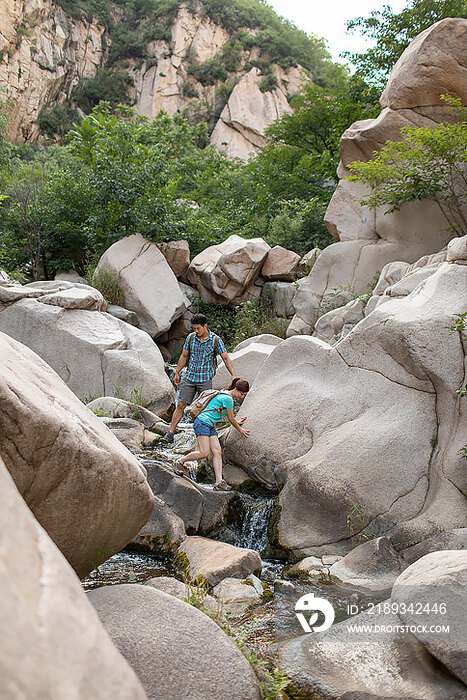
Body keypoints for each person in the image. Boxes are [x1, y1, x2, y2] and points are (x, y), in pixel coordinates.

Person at [161, 313, 236, 444]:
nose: (196, 331)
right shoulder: (191, 338)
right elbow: (184, 356)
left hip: (205, 380)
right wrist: (177, 372)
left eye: (198, 328)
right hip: (189, 377)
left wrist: (233, 375)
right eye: (194, 328)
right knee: (181, 405)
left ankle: (207, 437)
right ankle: (170, 433)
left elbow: (225, 357)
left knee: (206, 409)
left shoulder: (215, 340)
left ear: (205, 326)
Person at [174, 377, 250, 490]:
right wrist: (240, 429)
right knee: (204, 453)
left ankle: (219, 481)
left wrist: (237, 422)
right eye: (242, 394)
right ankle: (179, 461)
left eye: (244, 395)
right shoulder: (228, 398)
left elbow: (222, 414)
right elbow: (230, 418)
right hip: (202, 423)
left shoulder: (225, 394)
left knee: (217, 451)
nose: (242, 397)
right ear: (236, 389)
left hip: (209, 425)